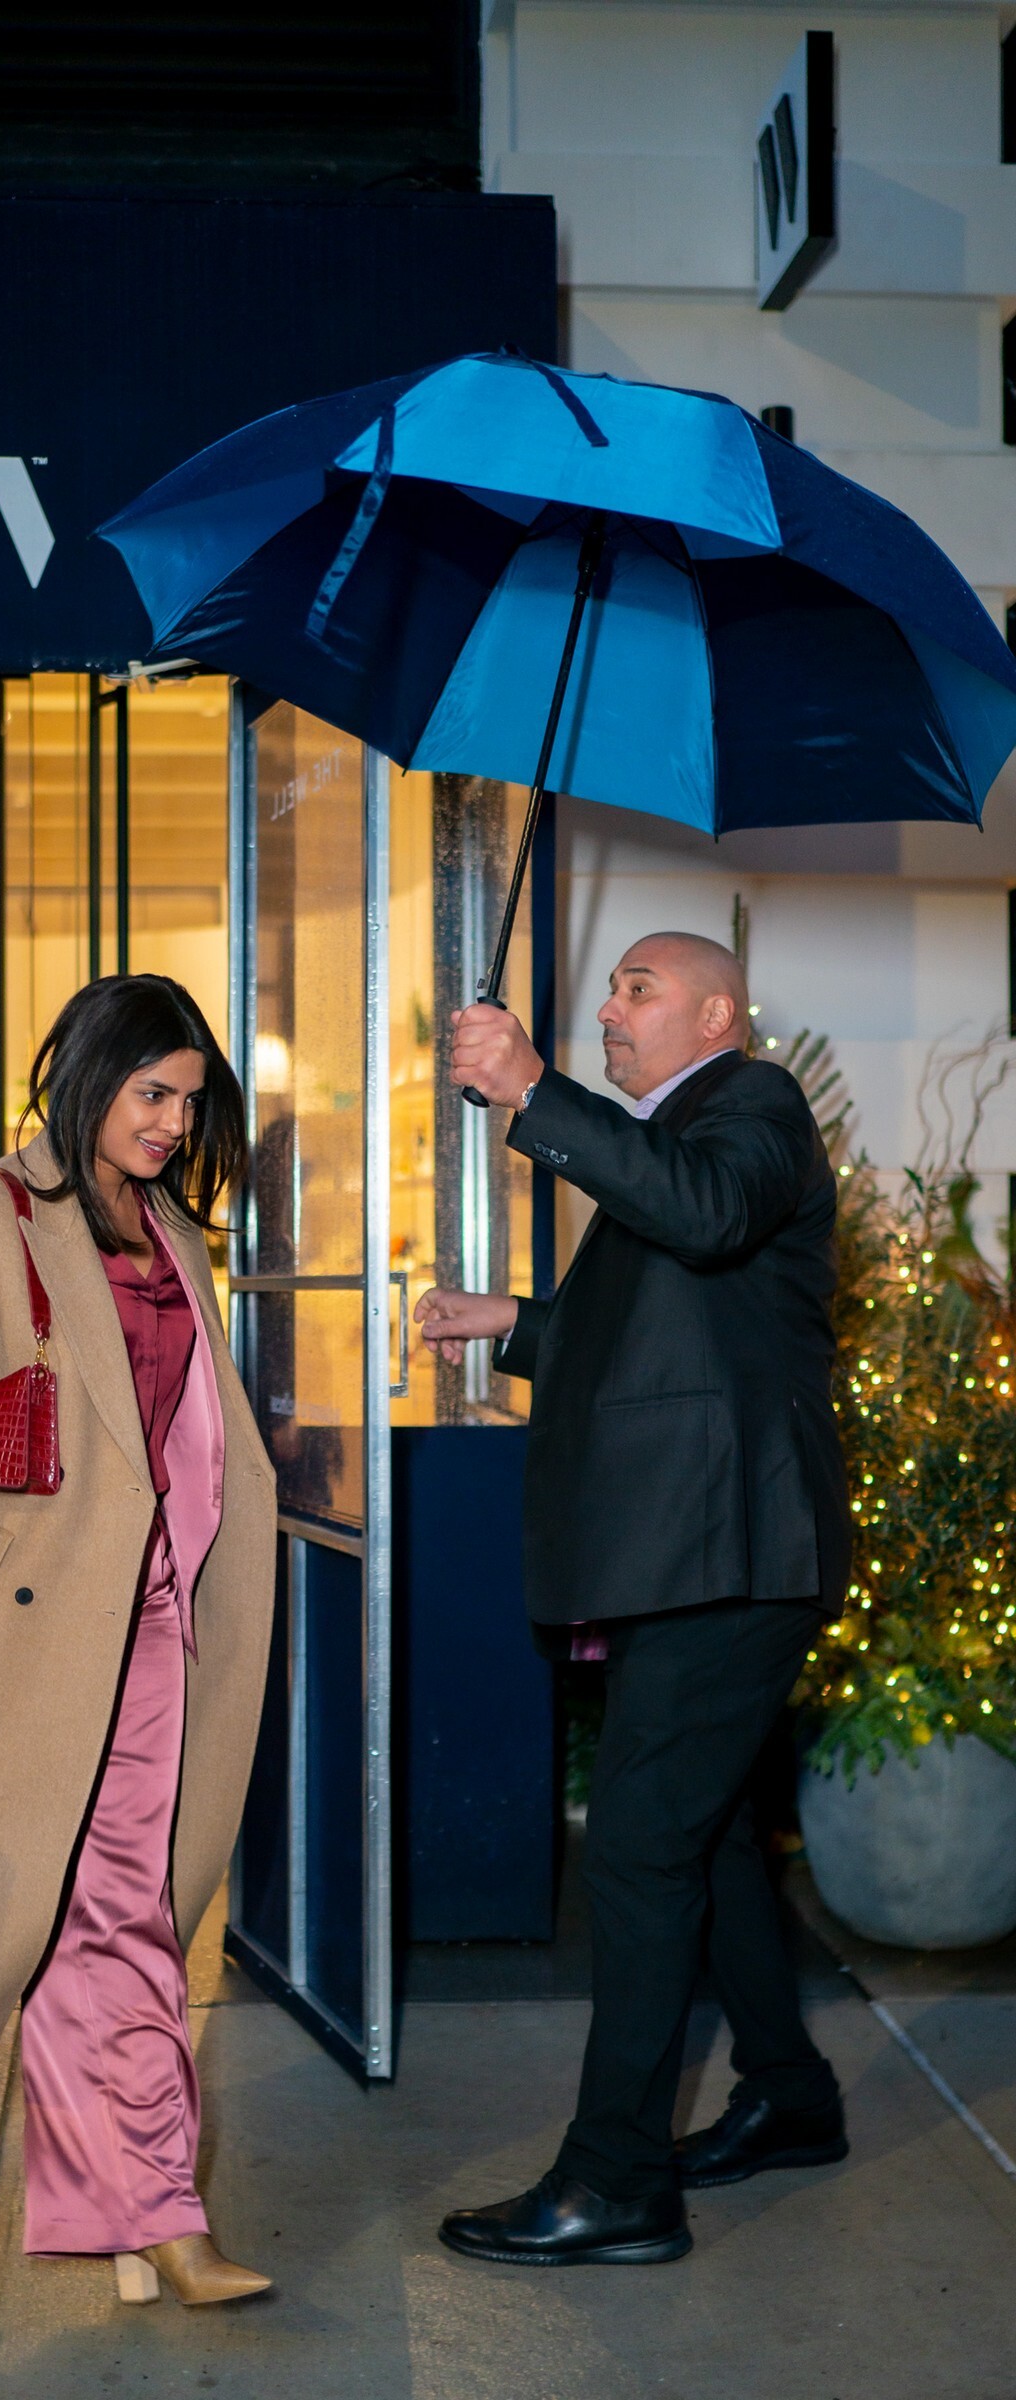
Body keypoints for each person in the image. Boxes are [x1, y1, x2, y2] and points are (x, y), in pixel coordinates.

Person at [0, 974, 278, 2307]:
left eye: (189, 1102)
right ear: (88, 1077)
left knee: (126, 1915)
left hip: (148, 1628)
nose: (172, 1124)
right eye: (152, 1094)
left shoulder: (175, 1233)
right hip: (1, 1632)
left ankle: (153, 2213)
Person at [417, 931, 850, 2268]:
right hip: (699, 1551)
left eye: (637, 988)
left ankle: (617, 2182)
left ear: (716, 1015)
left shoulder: (754, 1103)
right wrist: (514, 1322)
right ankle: (789, 2095)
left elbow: (705, 1215)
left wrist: (533, 1090)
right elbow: (666, 1341)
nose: (609, 1007)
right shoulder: (681, 1140)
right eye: (608, 988)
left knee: (638, 1850)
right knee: (701, 1839)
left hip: (731, 1553)